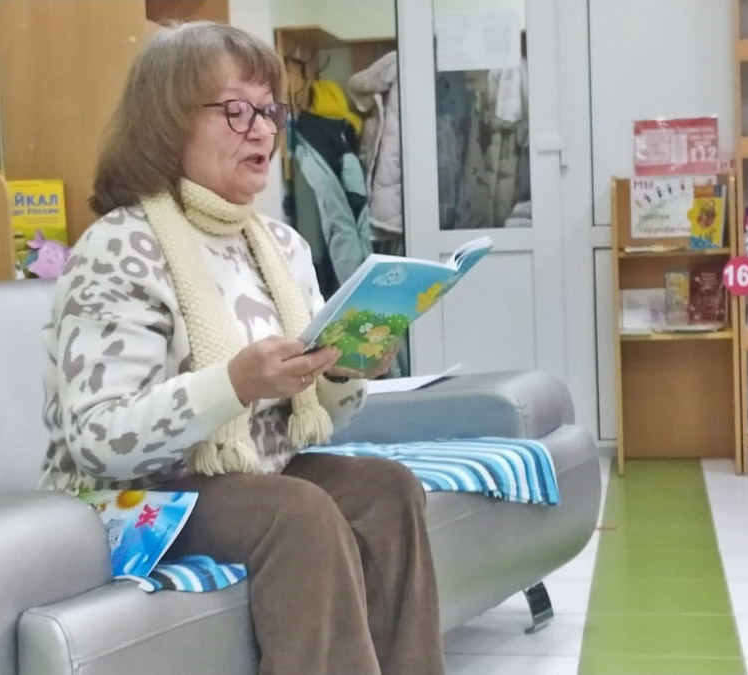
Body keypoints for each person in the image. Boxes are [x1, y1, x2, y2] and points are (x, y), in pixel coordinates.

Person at [38, 21, 444, 675]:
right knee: (297, 513)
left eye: (269, 111)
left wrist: (343, 372)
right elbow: (99, 440)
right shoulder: (118, 247)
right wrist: (235, 384)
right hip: (132, 498)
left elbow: (315, 420)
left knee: (388, 490)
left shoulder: (280, 245)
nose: (262, 131)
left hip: (253, 475)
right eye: (236, 110)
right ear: (167, 124)